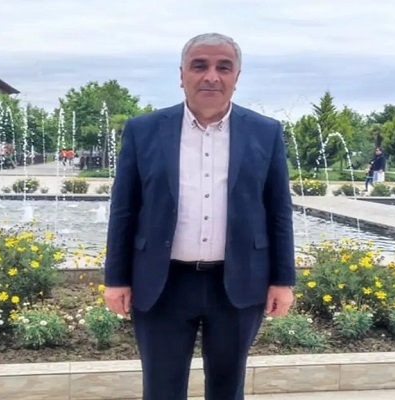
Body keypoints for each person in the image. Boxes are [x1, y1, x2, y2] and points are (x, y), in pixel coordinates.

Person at [103, 32, 296, 400]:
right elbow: (124, 209)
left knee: (228, 389)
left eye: (223, 67)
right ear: (182, 75)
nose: (211, 76)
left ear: (236, 77)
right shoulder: (144, 130)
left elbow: (278, 211)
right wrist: (116, 279)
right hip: (162, 284)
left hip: (238, 283)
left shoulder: (265, 132)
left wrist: (283, 280)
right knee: (161, 390)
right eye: (199, 66)